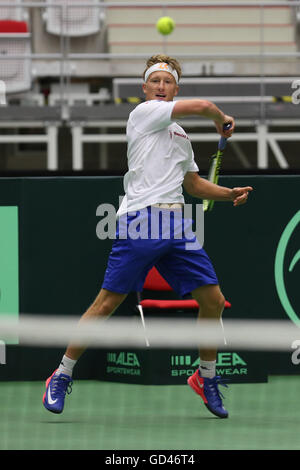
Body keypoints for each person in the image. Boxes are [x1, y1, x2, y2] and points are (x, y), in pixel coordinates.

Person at [43, 54, 253, 419]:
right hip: (141, 220)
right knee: (106, 304)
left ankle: (205, 377)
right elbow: (204, 106)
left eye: (166, 82)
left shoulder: (181, 136)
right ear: (145, 88)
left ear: (175, 88)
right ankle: (61, 373)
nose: (160, 86)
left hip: (177, 224)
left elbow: (192, 184)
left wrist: (228, 193)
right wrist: (221, 119)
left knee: (213, 301)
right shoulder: (143, 114)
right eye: (154, 81)